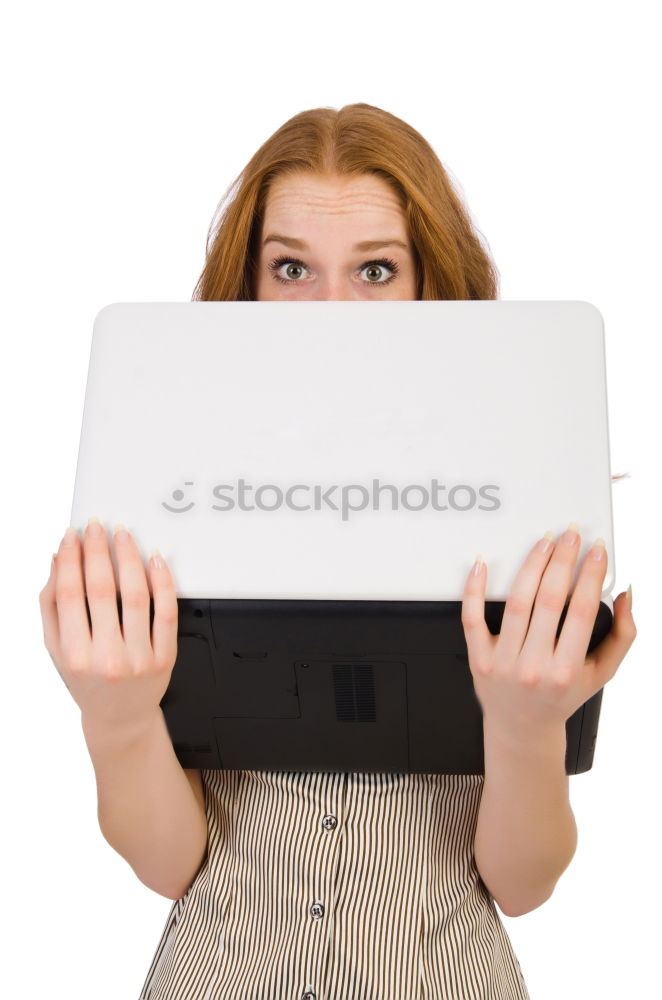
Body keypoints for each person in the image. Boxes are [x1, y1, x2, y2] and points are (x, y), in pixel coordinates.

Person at [39, 103, 637, 1000]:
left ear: (429, 284)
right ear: (246, 285)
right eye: (291, 268)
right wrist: (115, 719)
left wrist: (525, 728)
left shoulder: (522, 505)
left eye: (375, 269)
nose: (330, 312)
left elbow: (522, 884)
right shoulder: (168, 493)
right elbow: (171, 867)